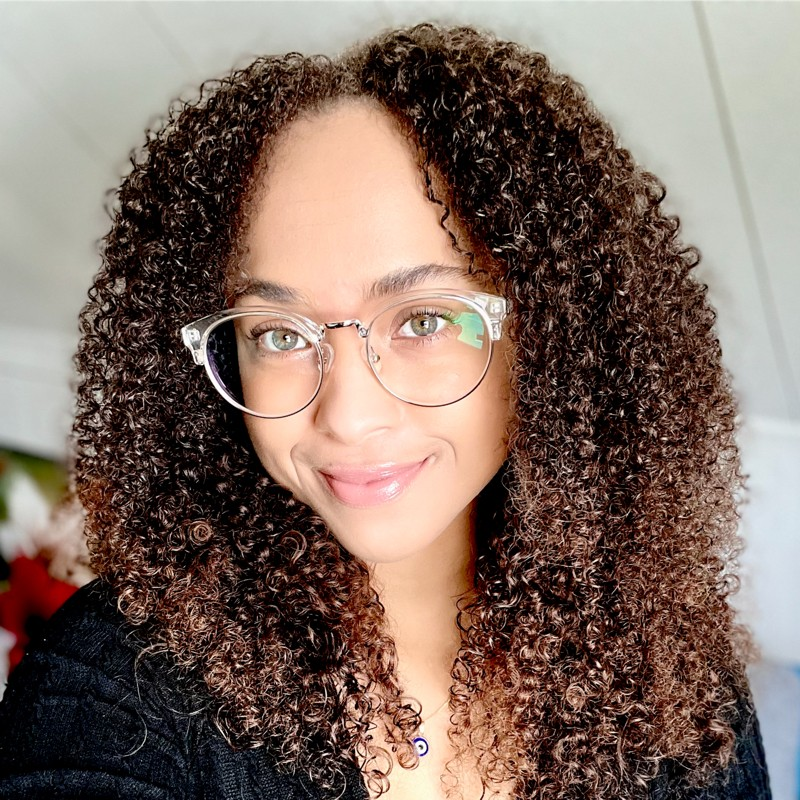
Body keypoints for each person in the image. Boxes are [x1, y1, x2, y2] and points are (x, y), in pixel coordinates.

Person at [0, 22, 771, 800]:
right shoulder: (114, 683)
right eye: (279, 333)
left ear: (552, 337)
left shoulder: (675, 681)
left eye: (424, 320)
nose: (349, 416)